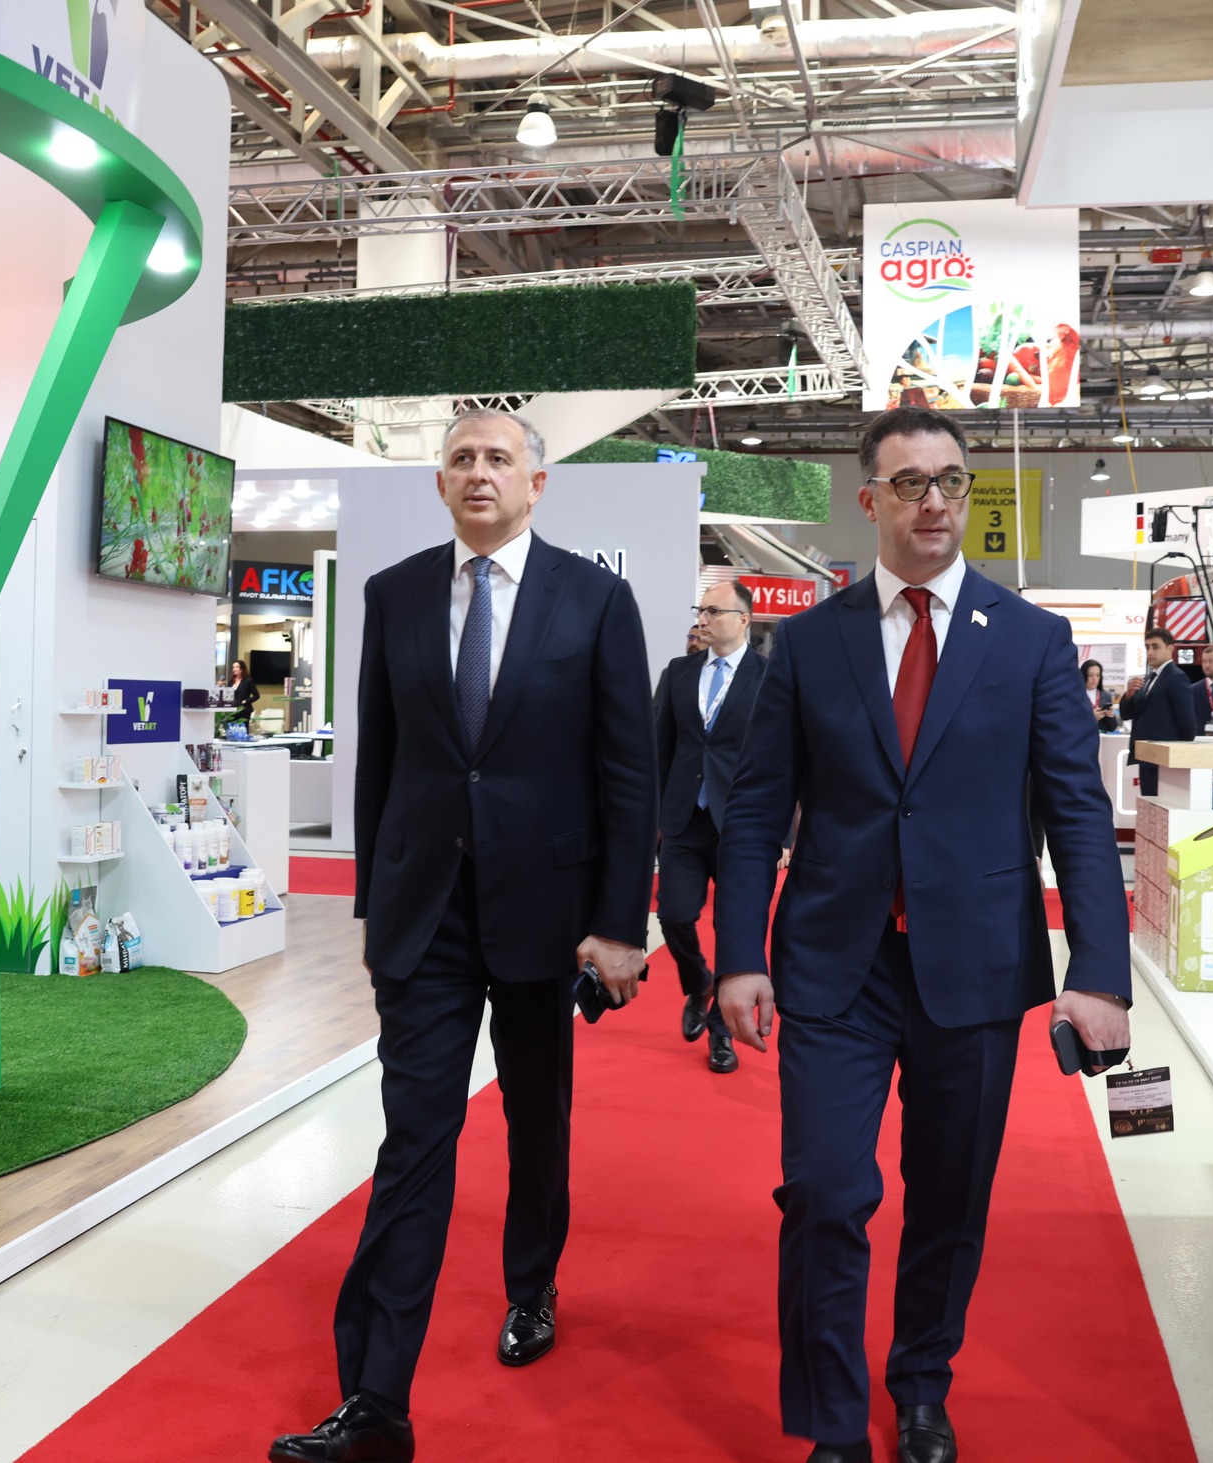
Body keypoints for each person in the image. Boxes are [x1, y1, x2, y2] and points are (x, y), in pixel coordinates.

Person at [714, 407, 1132, 1463]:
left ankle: (920, 1384)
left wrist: (1099, 970)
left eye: (950, 479)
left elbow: (1077, 812)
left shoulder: (1029, 640)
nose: (934, 499)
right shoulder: (809, 644)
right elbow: (755, 810)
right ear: (870, 500)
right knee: (823, 1191)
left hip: (976, 965)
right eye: (909, 482)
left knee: (949, 1198)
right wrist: (739, 955)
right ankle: (831, 1421)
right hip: (833, 965)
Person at [271, 409, 657, 1463]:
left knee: (536, 1122)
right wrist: (374, 905)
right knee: (413, 1141)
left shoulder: (595, 598)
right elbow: (381, 761)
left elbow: (630, 772)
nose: (478, 472)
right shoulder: (393, 592)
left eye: (497, 458)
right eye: (460, 459)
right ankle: (375, 1402)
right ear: (439, 483)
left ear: (537, 482)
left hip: (549, 917)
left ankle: (531, 1283)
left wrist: (619, 923)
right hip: (426, 917)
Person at [654, 580, 768, 1075]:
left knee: (732, 929)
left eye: (713, 611)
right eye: (700, 610)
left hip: (741, 823)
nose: (702, 619)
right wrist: (653, 818)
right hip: (683, 820)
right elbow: (660, 748)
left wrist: (785, 833)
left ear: (744, 619)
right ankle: (698, 982)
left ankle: (721, 1032)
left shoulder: (769, 676)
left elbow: (783, 758)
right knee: (674, 915)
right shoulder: (678, 673)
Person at [1120, 627, 1197, 798]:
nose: (1150, 652)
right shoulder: (1148, 679)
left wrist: (1177, 753)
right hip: (1146, 756)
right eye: (1147, 647)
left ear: (1170, 648)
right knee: (1149, 804)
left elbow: (1187, 723)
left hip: (1165, 759)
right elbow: (1127, 714)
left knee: (1163, 804)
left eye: (1155, 647)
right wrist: (1128, 696)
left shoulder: (1176, 678)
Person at [1081, 658, 1119, 731]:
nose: (1094, 679)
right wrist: (1091, 718)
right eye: (1090, 675)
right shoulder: (1075, 696)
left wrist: (1111, 716)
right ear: (1083, 675)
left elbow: (1112, 728)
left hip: (1101, 736)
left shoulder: (1106, 695)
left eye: (1098, 675)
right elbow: (1070, 722)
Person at [224, 658, 260, 725]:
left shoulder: (248, 681)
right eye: (233, 667)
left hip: (243, 710)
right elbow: (227, 694)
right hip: (231, 711)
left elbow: (257, 696)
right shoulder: (231, 682)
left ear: (242, 669)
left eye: (236, 667)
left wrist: (246, 701)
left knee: (242, 729)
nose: (234, 669)